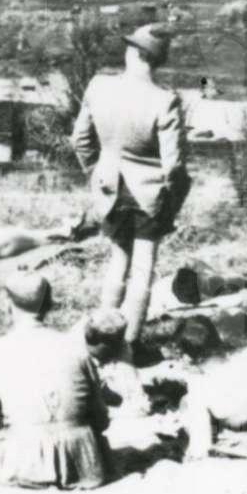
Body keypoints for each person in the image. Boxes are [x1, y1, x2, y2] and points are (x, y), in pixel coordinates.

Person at [72, 22, 188, 354]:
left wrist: (95, 173)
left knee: (117, 261)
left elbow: (80, 140)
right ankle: (130, 343)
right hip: (150, 194)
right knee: (142, 268)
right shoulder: (165, 100)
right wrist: (173, 200)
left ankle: (102, 340)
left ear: (135, 53)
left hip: (109, 187)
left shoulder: (99, 86)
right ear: (156, 59)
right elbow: (174, 166)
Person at [0, 273, 110, 488]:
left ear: (8, 304)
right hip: (86, 463)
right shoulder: (77, 347)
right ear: (49, 304)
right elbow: (101, 420)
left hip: (26, 463)